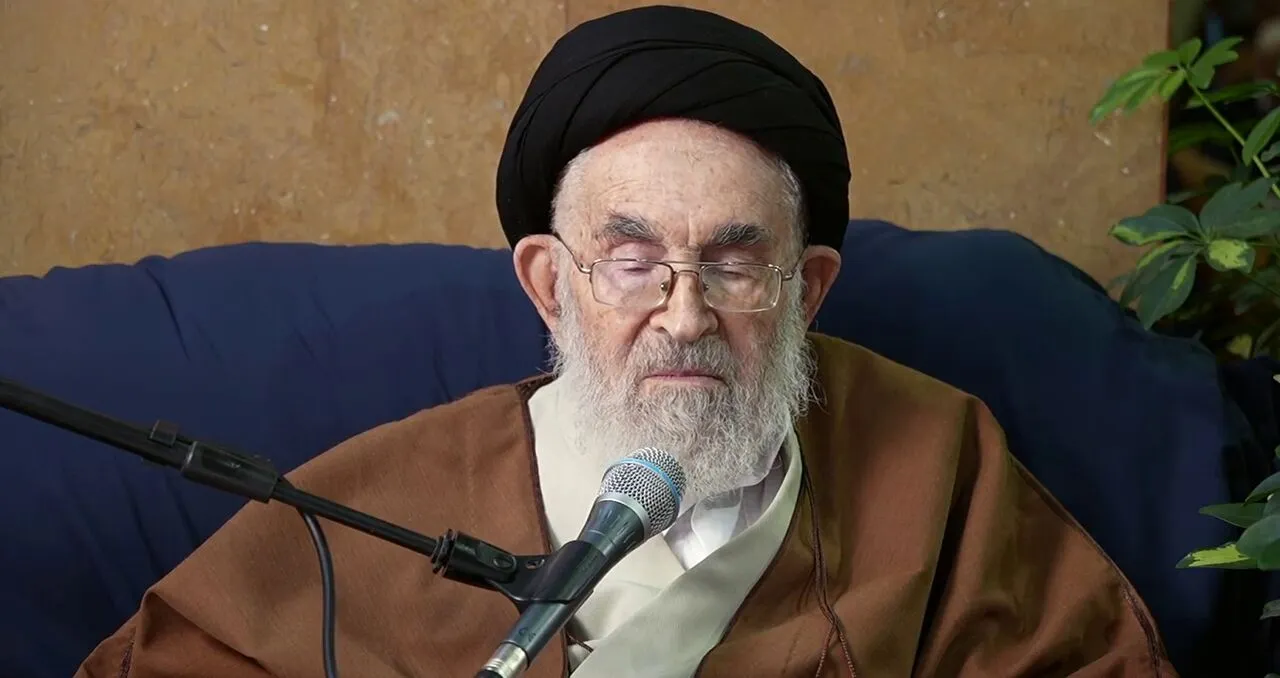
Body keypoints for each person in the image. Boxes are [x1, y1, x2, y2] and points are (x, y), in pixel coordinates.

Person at [76, 5, 1176, 677]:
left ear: (806, 290)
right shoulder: (376, 500)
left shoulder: (934, 460)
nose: (685, 316)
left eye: (735, 265)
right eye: (633, 261)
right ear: (551, 284)